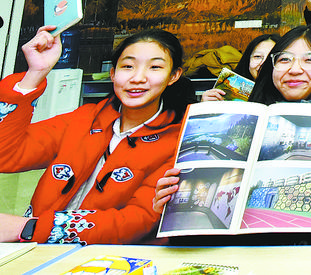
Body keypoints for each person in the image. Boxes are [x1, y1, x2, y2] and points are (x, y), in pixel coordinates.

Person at [153, 25, 311, 251]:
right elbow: (194, 241)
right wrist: (173, 208)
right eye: (284, 59)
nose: (294, 69)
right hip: (240, 257)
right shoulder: (243, 118)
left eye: (310, 59)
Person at [0, 27, 196, 244]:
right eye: (128, 66)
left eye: (155, 67)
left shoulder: (180, 141)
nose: (138, 78)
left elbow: (139, 220)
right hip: (38, 252)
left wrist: (30, 228)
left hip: (113, 258)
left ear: (173, 76)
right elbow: (6, 155)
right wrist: (35, 74)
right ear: (113, 74)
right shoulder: (83, 119)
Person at [201, 33, 279, 101]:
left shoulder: (285, 93)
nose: (263, 63)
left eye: (271, 57)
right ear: (247, 60)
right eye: (257, 56)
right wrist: (205, 107)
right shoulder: (229, 89)